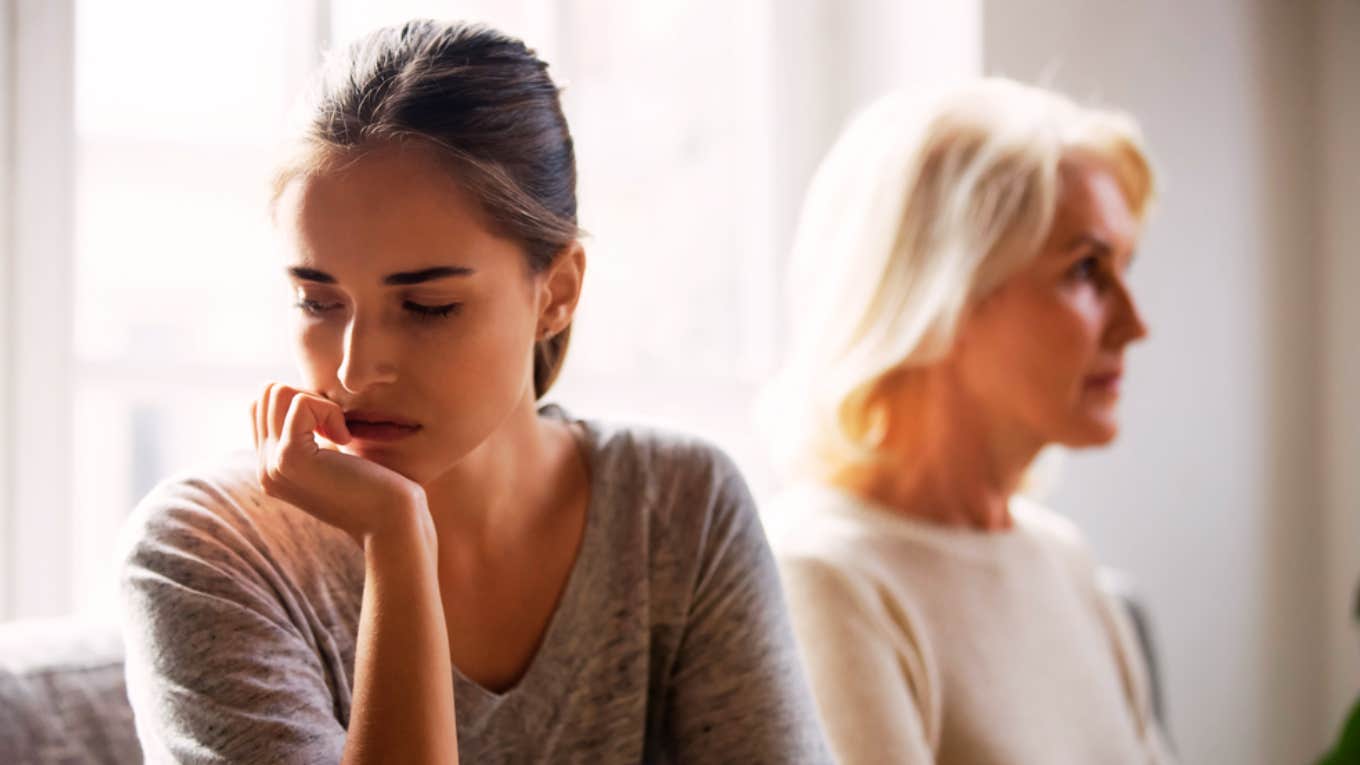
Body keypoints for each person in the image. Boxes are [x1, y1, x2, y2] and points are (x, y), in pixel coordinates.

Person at [117, 20, 831, 764]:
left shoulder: (678, 507)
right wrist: (397, 540)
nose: (356, 371)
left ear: (557, 291)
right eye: (318, 301)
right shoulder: (201, 552)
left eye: (428, 307)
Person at [761, 78, 1175, 764]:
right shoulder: (822, 578)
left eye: (1126, 269)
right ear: (943, 294)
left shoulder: (1062, 559)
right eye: (1085, 271)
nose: (1136, 324)